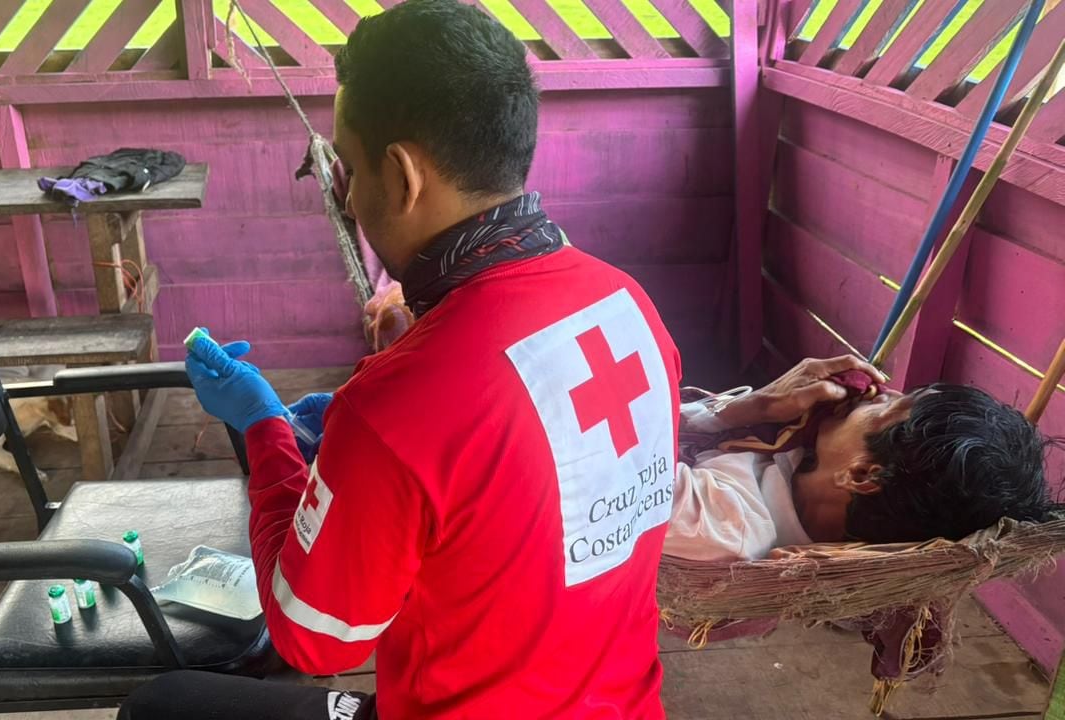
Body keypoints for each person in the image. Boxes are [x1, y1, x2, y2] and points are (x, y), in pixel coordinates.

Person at [115, 0, 804, 716]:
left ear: (402, 176)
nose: (346, 195)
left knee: (160, 705)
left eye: (347, 167)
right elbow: (508, 485)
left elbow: (316, 638)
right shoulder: (626, 305)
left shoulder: (398, 402)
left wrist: (265, 431)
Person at [663, 358, 1058, 561]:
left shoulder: (719, 525)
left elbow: (608, 457)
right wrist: (754, 407)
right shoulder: (790, 454)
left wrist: (741, 410)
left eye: (892, 404)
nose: (878, 391)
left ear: (862, 474)